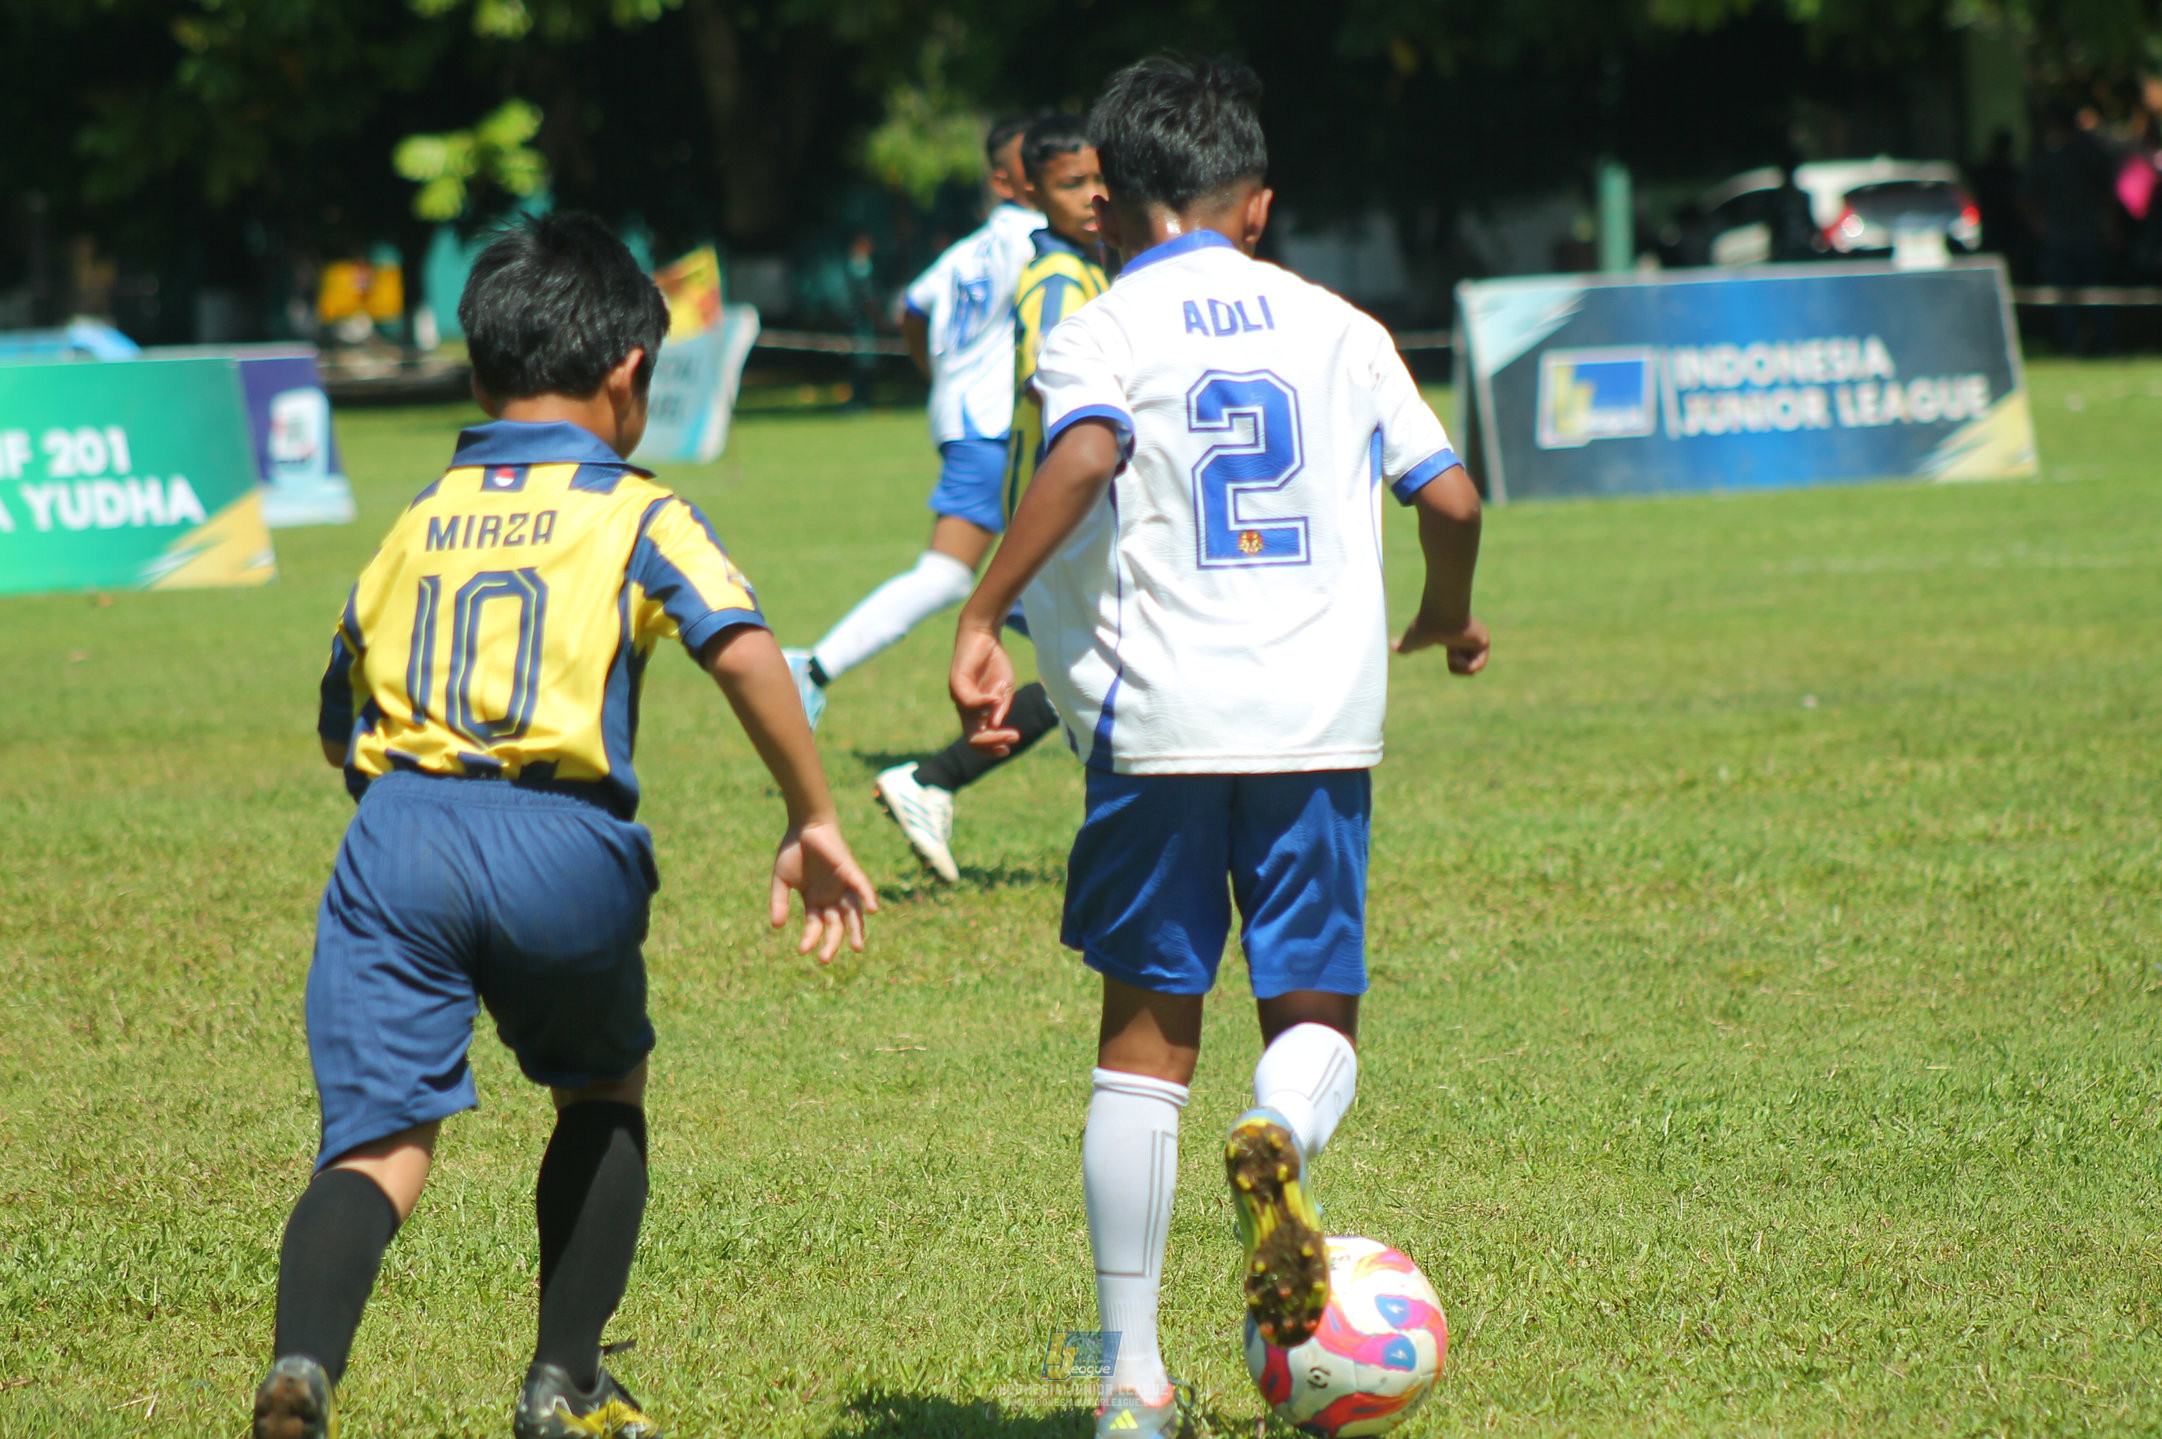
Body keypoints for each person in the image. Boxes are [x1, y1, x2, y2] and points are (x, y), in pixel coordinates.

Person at [252, 214, 878, 1439]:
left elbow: (338, 725)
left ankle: (304, 1366)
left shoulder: (413, 522)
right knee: (601, 1082)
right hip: (560, 838)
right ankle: (565, 1379)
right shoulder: (637, 509)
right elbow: (741, 646)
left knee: (381, 1142)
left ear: (480, 369)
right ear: (629, 374)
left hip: (398, 836)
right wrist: (811, 811)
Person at [947, 57, 1488, 1439]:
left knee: (1139, 1046)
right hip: (1314, 722)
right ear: (1253, 205)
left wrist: (985, 605)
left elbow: (1078, 460)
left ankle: (1130, 1377)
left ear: (1108, 207)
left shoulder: (1102, 326)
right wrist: (1445, 609)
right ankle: (1284, 1134)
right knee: (1313, 1016)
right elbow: (1451, 489)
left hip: (1157, 719)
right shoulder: (1341, 324)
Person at [874, 113, 1110, 882]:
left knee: (1096, 665)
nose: (1093, 196)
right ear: (1032, 193)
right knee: (1105, 662)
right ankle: (935, 779)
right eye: (1073, 184)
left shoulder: (1086, 265)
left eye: (1100, 179)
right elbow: (1052, 382)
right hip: (1063, 507)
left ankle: (934, 780)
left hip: (1075, 504)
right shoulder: (1057, 275)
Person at [783, 115, 1047, 727]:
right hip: (993, 427)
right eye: (1053, 168)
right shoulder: (1035, 239)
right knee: (950, 573)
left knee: (1049, 566)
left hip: (964, 417)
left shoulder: (967, 248)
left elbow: (911, 306)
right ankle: (815, 667)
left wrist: (938, 373)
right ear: (1010, 180)